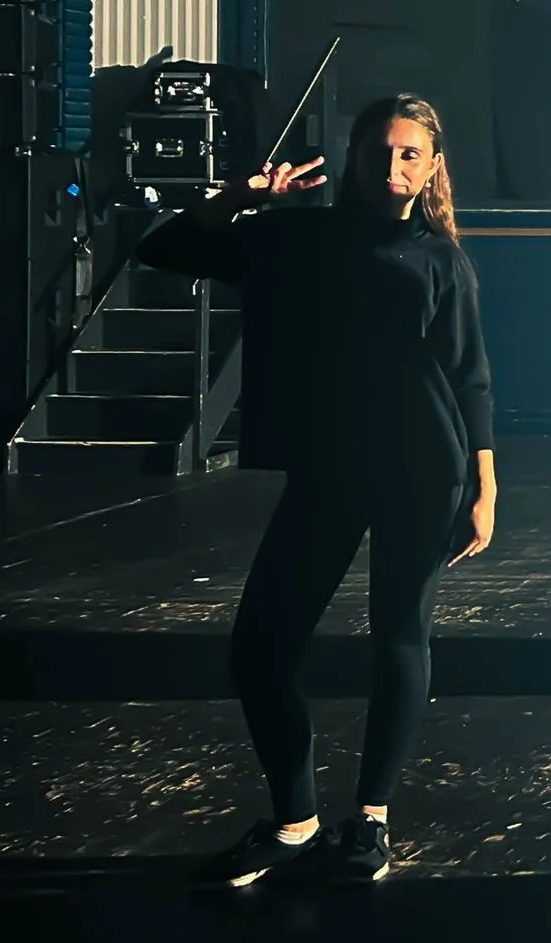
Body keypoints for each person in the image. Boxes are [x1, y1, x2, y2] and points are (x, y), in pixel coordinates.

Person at [140, 95, 496, 887]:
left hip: (424, 469)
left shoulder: (442, 260)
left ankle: (370, 818)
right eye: (380, 150)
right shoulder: (294, 238)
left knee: (399, 639)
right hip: (330, 468)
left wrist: (486, 485)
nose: (394, 165)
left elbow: (470, 377)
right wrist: (240, 197)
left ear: (433, 166)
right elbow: (163, 247)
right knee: (259, 651)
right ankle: (295, 820)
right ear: (354, 157)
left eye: (410, 153)